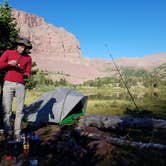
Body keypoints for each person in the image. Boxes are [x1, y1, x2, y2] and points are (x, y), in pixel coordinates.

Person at [0, 38, 32, 139]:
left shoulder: (28, 58)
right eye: (22, 47)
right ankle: (8, 130)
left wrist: (26, 74)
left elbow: (28, 72)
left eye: (25, 47)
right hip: (8, 83)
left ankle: (17, 132)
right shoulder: (8, 52)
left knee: (20, 110)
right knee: (7, 109)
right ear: (17, 45)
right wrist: (9, 64)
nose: (23, 49)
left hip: (20, 85)